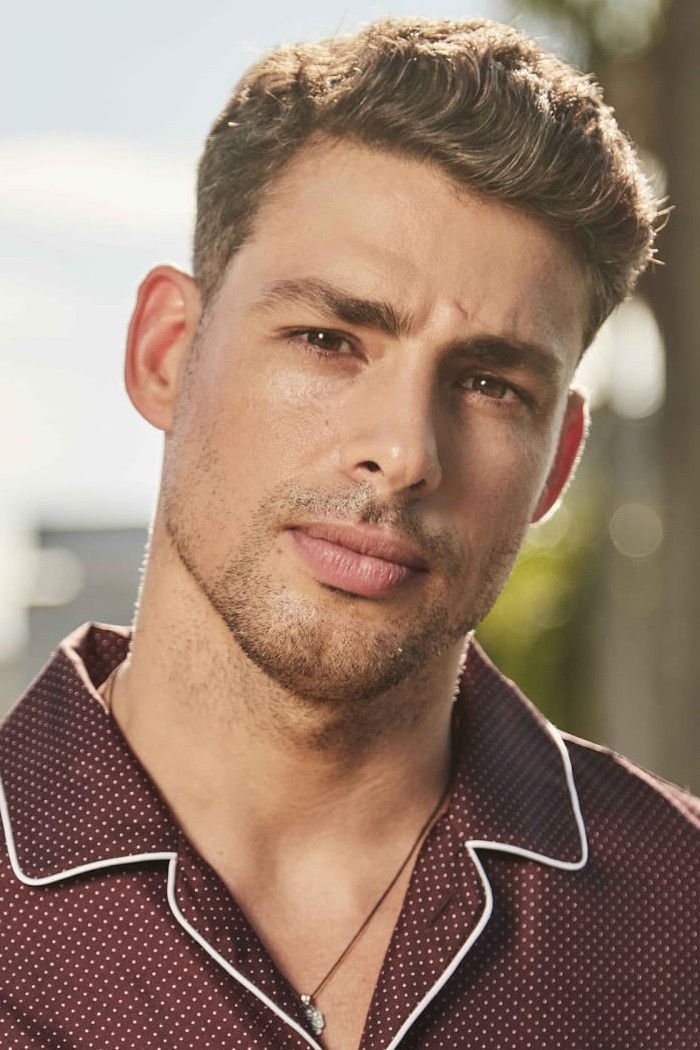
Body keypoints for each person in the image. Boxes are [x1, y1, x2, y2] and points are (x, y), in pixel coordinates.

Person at [0, 16, 697, 1050]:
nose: (403, 452)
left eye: (491, 385)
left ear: (555, 464)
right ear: (166, 355)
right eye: (328, 339)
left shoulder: (680, 915)